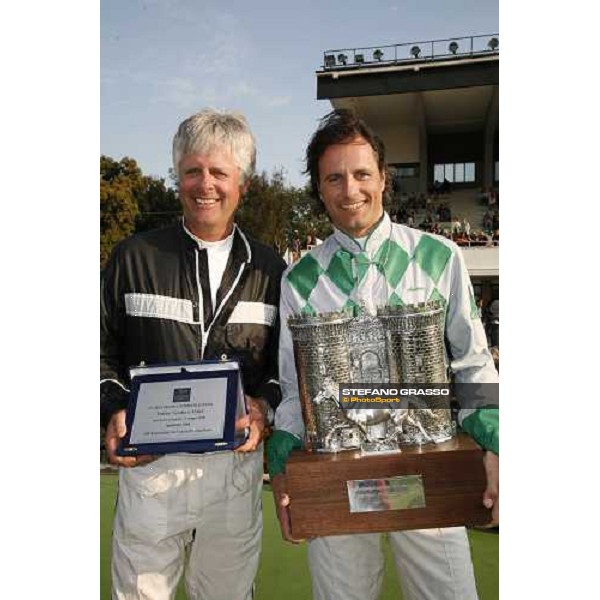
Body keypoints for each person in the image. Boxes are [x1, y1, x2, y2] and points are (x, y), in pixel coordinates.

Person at [268, 110, 499, 600]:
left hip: (427, 463)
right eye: (334, 177)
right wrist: (285, 461)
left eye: (361, 174)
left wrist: (497, 443)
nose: (350, 189)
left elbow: (475, 364)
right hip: (338, 470)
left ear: (383, 178)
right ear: (318, 187)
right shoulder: (298, 278)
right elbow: (294, 390)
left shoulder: (440, 255)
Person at [101, 109, 287, 600]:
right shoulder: (133, 256)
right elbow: (98, 349)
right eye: (192, 170)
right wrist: (115, 409)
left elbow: (281, 368)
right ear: (177, 177)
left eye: (219, 172)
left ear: (241, 183)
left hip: (234, 470)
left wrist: (263, 407)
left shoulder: (270, 267)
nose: (205, 184)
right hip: (151, 468)